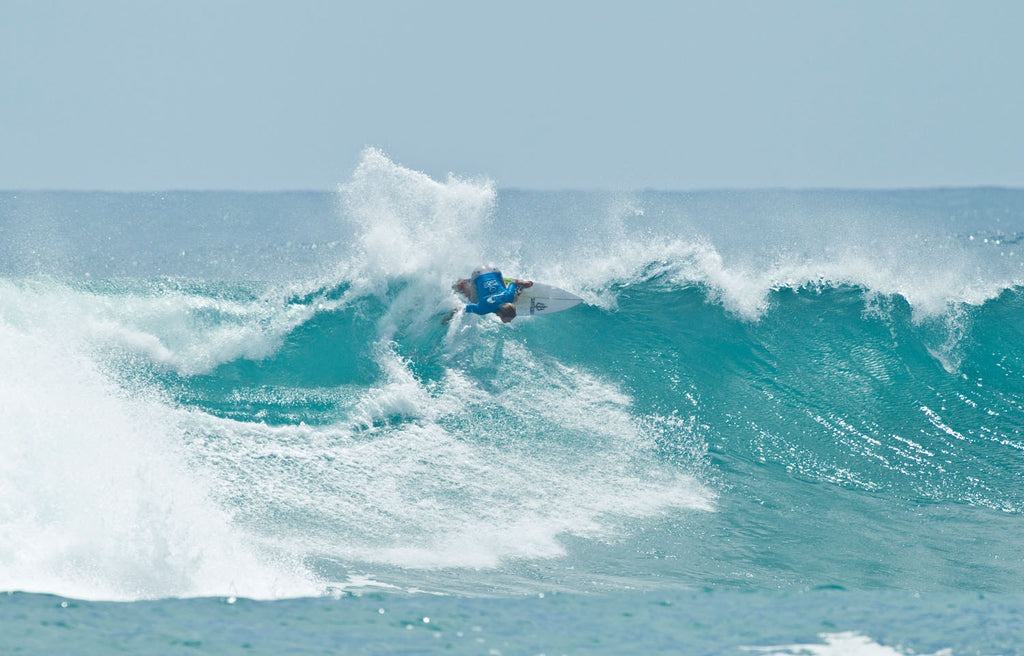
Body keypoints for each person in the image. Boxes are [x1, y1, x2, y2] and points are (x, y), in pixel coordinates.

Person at [449, 266, 533, 323]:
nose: (510, 321)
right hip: (477, 273)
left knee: (514, 298)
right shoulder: (483, 309)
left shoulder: (509, 297)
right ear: (500, 314)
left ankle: (507, 285)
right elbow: (461, 307)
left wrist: (523, 282)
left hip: (494, 269)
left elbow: (514, 281)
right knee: (474, 301)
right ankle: (464, 285)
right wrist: (450, 316)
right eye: (508, 319)